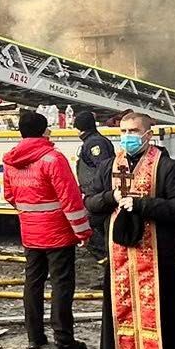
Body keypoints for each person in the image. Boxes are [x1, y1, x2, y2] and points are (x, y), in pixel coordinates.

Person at [87, 110, 175, 349]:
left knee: (165, 319)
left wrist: (143, 205)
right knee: (121, 315)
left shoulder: (166, 166)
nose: (128, 137)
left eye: (134, 131)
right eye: (123, 131)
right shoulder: (109, 165)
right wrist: (110, 198)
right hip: (121, 259)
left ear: (148, 134)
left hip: (157, 259)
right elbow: (90, 202)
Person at [3, 108, 91, 349]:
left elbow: (9, 195)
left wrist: (31, 215)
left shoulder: (11, 161)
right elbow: (70, 198)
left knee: (33, 282)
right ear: (44, 131)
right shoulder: (53, 159)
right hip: (58, 234)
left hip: (30, 233)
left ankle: (35, 337)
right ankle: (64, 341)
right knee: (61, 285)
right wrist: (83, 232)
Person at [72, 109, 115, 263]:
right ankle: (108, 259)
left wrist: (97, 192)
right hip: (96, 195)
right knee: (99, 228)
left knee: (84, 225)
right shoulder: (93, 141)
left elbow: (103, 168)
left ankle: (106, 258)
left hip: (99, 196)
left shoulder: (94, 143)